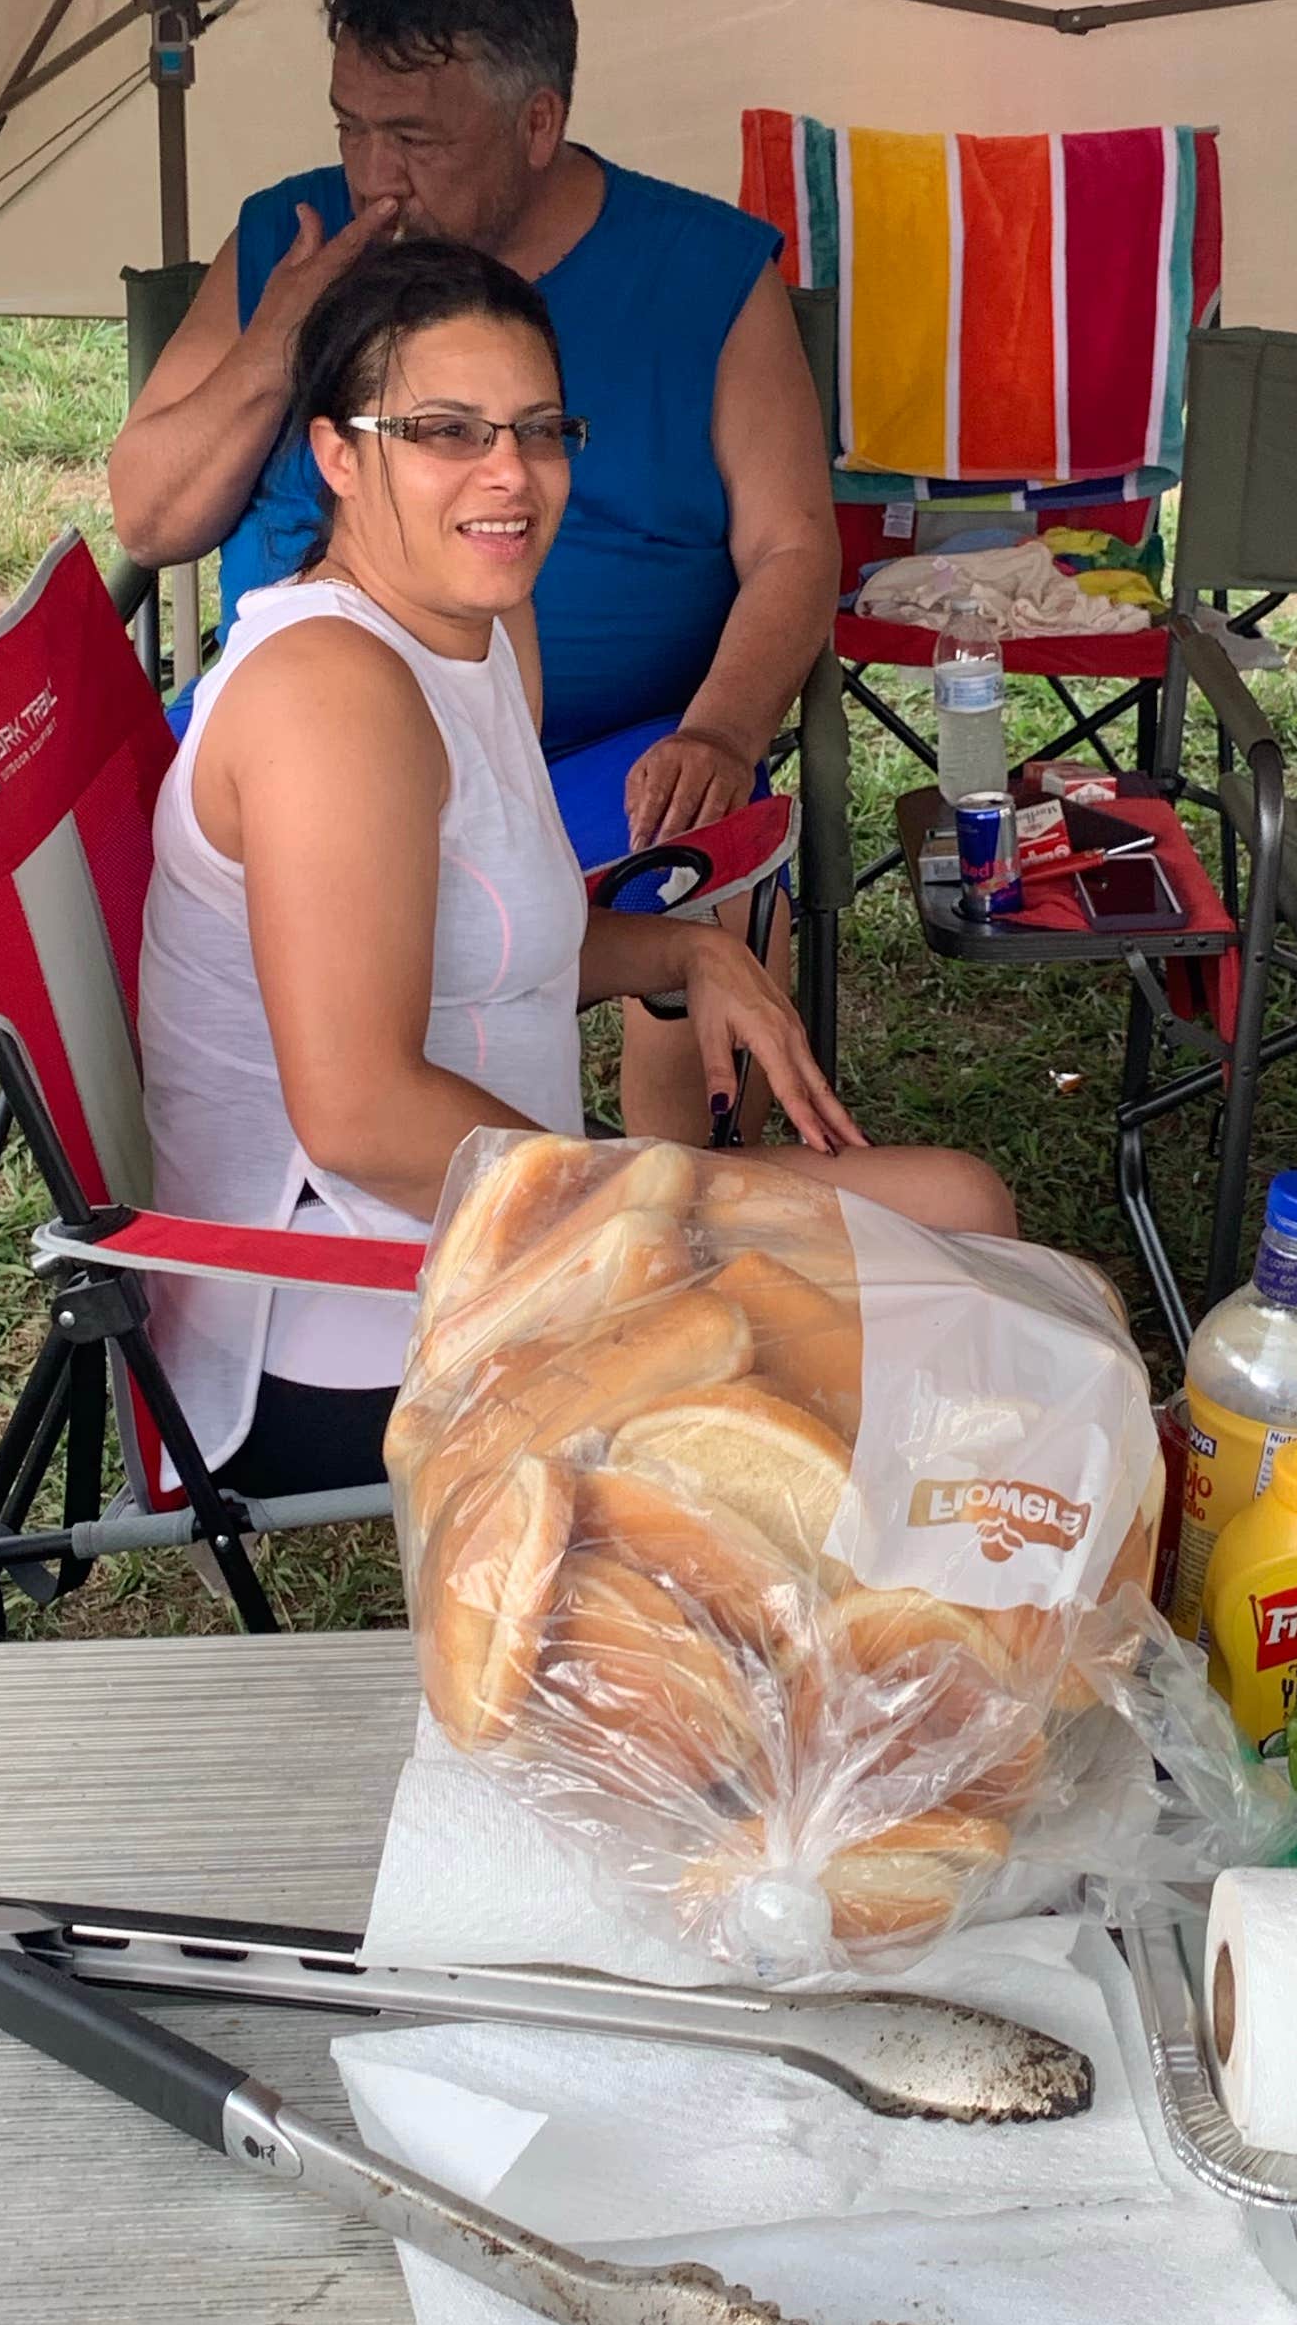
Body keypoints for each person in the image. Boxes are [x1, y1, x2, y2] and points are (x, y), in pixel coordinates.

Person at [137, 236, 1009, 1500]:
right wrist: (650, 1206)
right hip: (346, 1305)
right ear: (338, 453)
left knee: (963, 1213)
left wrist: (687, 948)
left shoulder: (480, 628)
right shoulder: (331, 696)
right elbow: (363, 1118)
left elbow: (481, 939)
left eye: (539, 431)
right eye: (446, 431)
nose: (511, 475)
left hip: (488, 1218)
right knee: (948, 1318)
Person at [110, 0, 838, 1139]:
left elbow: (794, 546)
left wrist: (722, 728)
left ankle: (671, 1226)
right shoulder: (292, 240)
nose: (373, 177)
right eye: (352, 129)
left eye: (414, 138)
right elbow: (152, 515)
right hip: (329, 731)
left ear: (537, 124)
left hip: (614, 738)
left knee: (701, 859)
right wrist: (284, 337)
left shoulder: (703, 271)